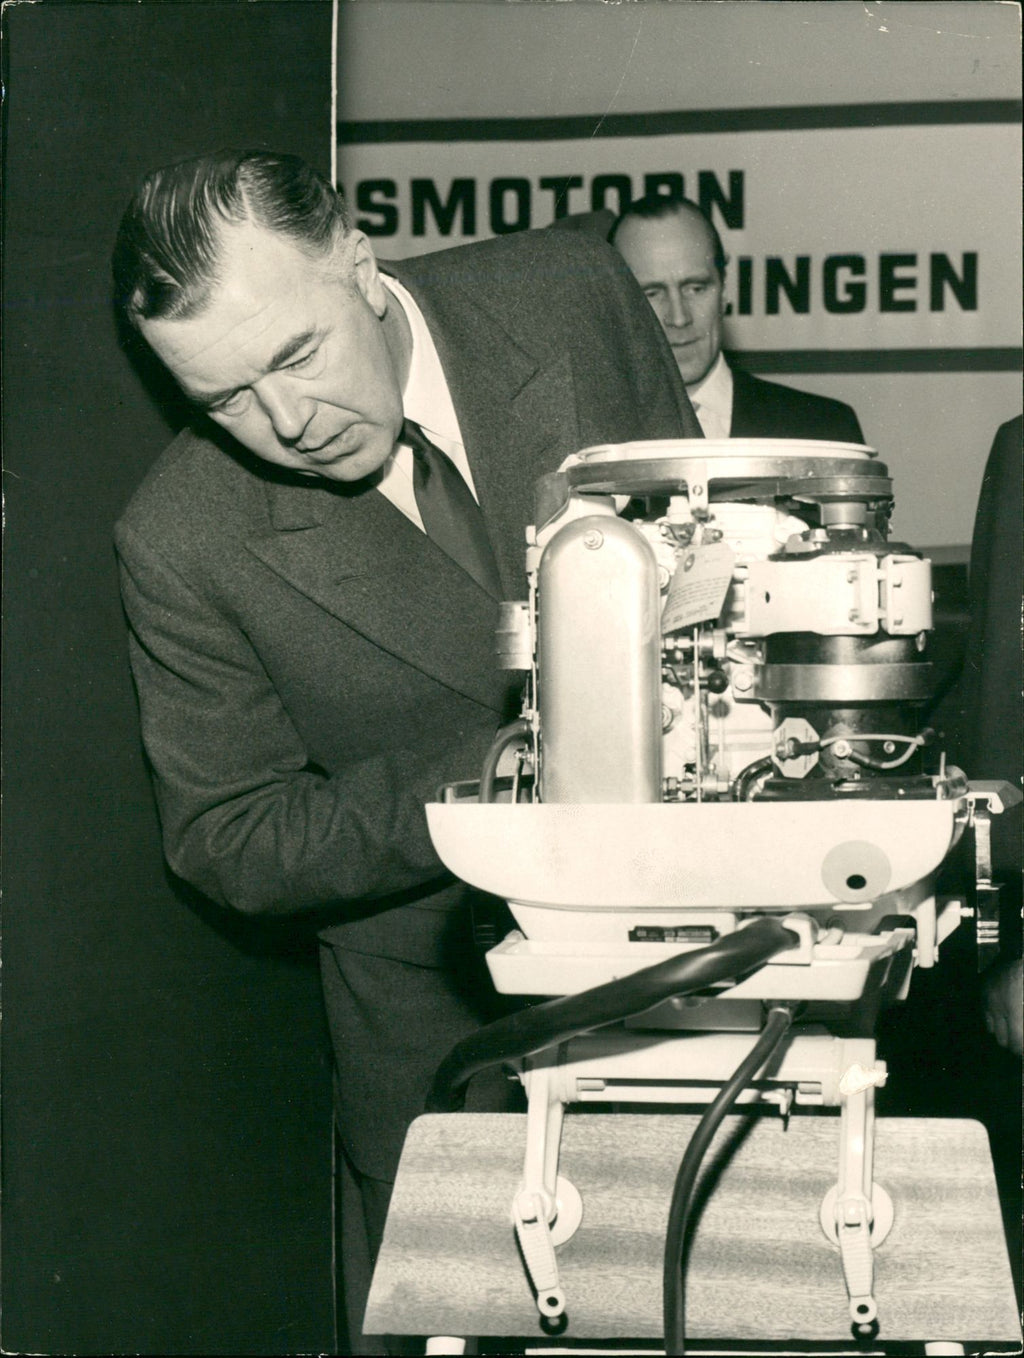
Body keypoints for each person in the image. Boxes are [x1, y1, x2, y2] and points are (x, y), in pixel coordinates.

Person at [111, 149, 699, 1351]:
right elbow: (230, 836)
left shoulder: (569, 291)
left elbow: (717, 544)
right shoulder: (180, 537)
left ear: (360, 262)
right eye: (222, 401)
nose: (285, 423)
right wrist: (510, 769)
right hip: (446, 1059)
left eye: (295, 355)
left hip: (710, 993)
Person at [610, 192, 865, 444]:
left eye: (696, 288)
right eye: (651, 294)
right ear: (614, 305)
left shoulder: (824, 430)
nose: (679, 318)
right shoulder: (592, 437)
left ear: (724, 291)